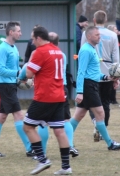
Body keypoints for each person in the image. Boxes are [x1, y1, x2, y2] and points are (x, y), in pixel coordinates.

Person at [24, 26, 72, 175]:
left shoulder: (40, 51)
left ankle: (42, 160)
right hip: (59, 95)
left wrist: (32, 58)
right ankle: (66, 167)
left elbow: (29, 73)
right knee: (59, 130)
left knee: (27, 127)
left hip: (45, 96)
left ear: (39, 38)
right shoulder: (57, 50)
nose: (32, 41)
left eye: (33, 38)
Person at [70, 26, 120, 151]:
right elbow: (81, 72)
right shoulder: (85, 50)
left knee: (78, 116)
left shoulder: (92, 49)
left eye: (99, 34)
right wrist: (79, 92)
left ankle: (68, 144)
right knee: (100, 113)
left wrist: (107, 77)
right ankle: (110, 144)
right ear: (89, 37)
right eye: (96, 35)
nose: (99, 37)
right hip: (88, 87)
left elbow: (94, 73)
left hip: (91, 84)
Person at [0, 21, 32, 158]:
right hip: (5, 86)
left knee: (1, 116)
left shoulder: (14, 48)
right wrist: (17, 74)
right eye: (18, 31)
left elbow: (16, 68)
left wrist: (22, 76)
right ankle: (30, 149)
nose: (20, 33)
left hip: (11, 85)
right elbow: (0, 70)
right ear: (11, 32)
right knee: (18, 115)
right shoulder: (3, 48)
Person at [34, 32, 78, 158]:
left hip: (48, 89)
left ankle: (41, 152)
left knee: (43, 122)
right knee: (65, 119)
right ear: (58, 43)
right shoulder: (61, 54)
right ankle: (70, 145)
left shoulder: (44, 54)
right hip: (62, 88)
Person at [81, 11, 120, 141]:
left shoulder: (86, 34)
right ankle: (103, 129)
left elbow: (82, 52)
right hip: (108, 73)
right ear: (106, 20)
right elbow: (116, 57)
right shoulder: (113, 35)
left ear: (94, 20)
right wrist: (116, 77)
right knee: (105, 103)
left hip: (92, 74)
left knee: (92, 103)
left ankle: (96, 123)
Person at [107, 24, 120, 104]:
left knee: (115, 81)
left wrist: (119, 36)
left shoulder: (116, 39)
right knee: (111, 81)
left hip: (118, 63)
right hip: (112, 63)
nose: (117, 30)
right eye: (115, 29)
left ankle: (113, 99)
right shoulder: (110, 40)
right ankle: (110, 98)